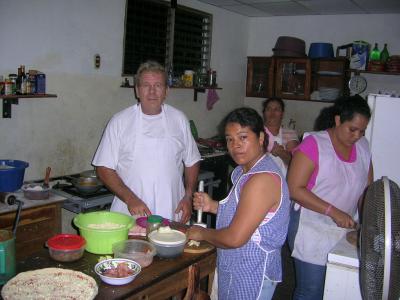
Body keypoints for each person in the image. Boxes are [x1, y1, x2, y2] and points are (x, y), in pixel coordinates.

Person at [187, 107, 290, 300]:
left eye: (243, 137)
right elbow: (250, 214)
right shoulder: (246, 171)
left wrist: (201, 232)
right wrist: (213, 206)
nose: (235, 145)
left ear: (260, 138)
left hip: (252, 272)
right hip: (237, 266)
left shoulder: (261, 180)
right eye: (229, 139)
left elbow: (235, 238)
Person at [287, 95, 373, 300]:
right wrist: (332, 211)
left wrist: (367, 221)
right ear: (337, 120)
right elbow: (294, 188)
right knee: (311, 290)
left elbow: (366, 190)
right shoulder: (314, 144)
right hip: (311, 227)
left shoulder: (363, 147)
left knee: (336, 284)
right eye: (352, 129)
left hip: (344, 226)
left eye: (362, 131)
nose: (357, 136)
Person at [92, 61, 201, 223]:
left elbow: (192, 160)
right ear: (137, 90)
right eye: (145, 85)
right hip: (131, 211)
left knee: (171, 248)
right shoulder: (120, 122)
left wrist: (188, 195)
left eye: (158, 85)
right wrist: (130, 199)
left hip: (173, 209)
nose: (152, 91)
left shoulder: (178, 119)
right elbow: (103, 168)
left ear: (166, 91)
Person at [262, 97, 299, 176]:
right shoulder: (256, 132)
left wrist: (281, 152)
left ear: (282, 114)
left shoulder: (290, 133)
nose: (272, 113)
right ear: (264, 112)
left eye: (276, 109)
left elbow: (296, 162)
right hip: (259, 177)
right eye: (268, 109)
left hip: (283, 179)